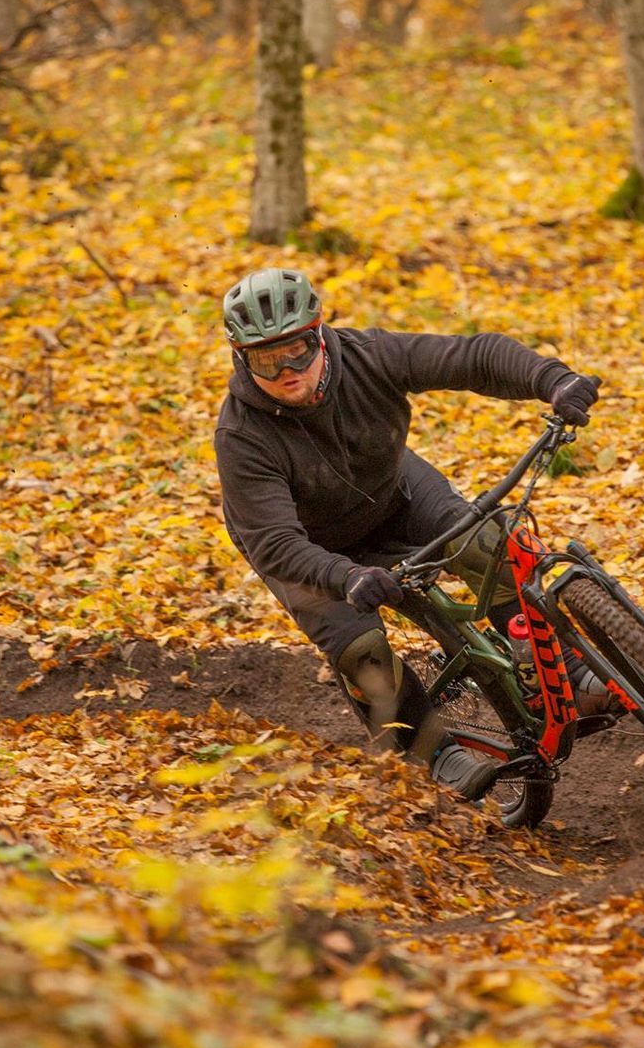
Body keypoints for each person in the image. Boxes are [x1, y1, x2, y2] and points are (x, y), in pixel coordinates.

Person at [212, 267, 602, 802]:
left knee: (491, 547)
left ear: (320, 334)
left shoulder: (369, 356)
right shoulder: (241, 435)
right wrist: (346, 576)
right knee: (361, 649)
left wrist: (551, 380)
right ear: (240, 357)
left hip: (393, 492)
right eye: (264, 359)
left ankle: (566, 671)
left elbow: (475, 357)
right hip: (309, 549)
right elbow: (275, 543)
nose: (286, 370)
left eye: (298, 351)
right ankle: (433, 752)